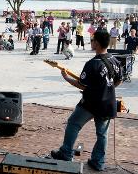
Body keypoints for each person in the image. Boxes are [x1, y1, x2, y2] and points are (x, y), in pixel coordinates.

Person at [51, 31, 122, 171]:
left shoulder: (92, 64)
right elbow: (118, 81)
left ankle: (66, 153)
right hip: (108, 104)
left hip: (91, 103)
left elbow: (82, 85)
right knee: (102, 134)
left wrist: (66, 77)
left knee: (73, 123)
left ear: (97, 43)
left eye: (93, 40)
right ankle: (98, 162)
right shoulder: (114, 60)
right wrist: (105, 90)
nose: (91, 42)